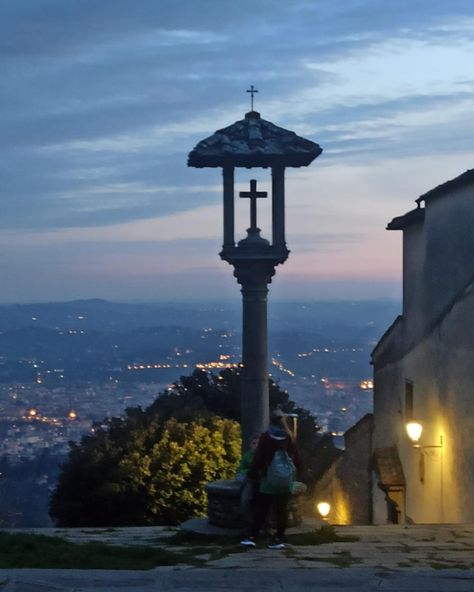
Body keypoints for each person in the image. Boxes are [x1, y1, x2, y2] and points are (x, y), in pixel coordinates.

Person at [240, 409, 303, 549]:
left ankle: (252, 537)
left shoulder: (266, 437)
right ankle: (278, 538)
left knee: (262, 509)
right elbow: (296, 457)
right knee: (282, 510)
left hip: (268, 479)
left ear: (271, 420)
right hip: (285, 480)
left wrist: (251, 475)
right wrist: (300, 472)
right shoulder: (289, 437)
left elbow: (258, 458)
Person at [236, 435, 259, 538]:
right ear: (250, 445)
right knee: (245, 502)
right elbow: (241, 470)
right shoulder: (247, 456)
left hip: (260, 482)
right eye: (254, 443)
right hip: (249, 481)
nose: (256, 445)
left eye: (258, 443)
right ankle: (247, 531)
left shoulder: (264, 456)